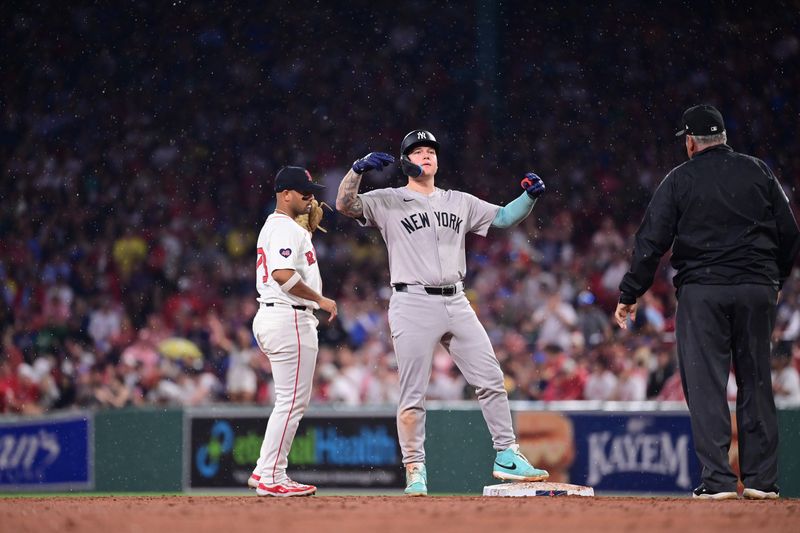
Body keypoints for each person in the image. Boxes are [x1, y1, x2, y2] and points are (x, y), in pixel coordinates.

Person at [336, 129, 550, 496]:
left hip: (456, 299)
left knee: (491, 379)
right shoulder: (388, 200)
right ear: (405, 162)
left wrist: (528, 197)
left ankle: (507, 454)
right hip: (411, 300)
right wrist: (356, 172)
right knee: (413, 393)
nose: (426, 155)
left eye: (430, 150)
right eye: (417, 151)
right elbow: (345, 205)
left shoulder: (458, 201)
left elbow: (501, 217)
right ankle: (415, 469)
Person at [613, 105, 800, 500]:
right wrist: (775, 278)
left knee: (706, 385)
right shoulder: (758, 171)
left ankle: (717, 483)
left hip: (703, 292)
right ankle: (762, 483)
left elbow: (650, 243)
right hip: (755, 288)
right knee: (757, 381)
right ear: (724, 137)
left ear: (691, 142)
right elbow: (790, 232)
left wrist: (631, 293)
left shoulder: (679, 179)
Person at [248, 166, 338, 497]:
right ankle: (273, 475)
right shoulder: (284, 228)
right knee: (292, 403)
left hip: (275, 316)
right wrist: (321, 300)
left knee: (287, 401)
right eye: (304, 192)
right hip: (290, 318)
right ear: (285, 194)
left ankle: (263, 469)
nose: (310, 197)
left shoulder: (283, 228)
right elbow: (284, 274)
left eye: (312, 191)